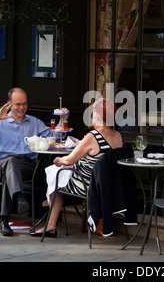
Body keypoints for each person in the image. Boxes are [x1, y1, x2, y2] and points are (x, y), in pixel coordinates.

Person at [30, 97, 123, 238]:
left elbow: (68, 160)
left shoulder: (93, 136)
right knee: (59, 175)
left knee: (56, 176)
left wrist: (58, 159)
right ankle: (47, 204)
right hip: (108, 186)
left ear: (97, 116)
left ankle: (50, 224)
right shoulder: (118, 136)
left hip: (88, 186)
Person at [0, 87, 51, 236]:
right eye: (18, 104)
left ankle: (4, 220)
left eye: (24, 104)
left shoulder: (34, 122)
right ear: (9, 104)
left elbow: (52, 135)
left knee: (9, 176)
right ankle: (19, 198)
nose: (22, 108)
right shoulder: (1, 122)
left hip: (27, 166)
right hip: (1, 163)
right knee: (11, 163)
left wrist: (63, 121)